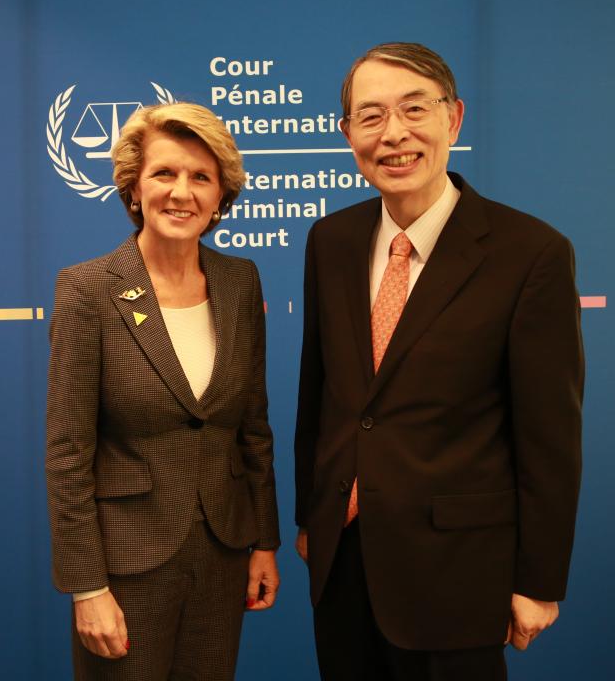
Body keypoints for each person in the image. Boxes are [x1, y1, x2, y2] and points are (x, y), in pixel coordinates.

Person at [294, 43, 584, 680]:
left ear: (453, 119)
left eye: (413, 109)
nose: (393, 133)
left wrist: (538, 580)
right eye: (370, 116)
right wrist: (310, 515)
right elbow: (320, 395)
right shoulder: (331, 241)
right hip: (342, 560)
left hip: (459, 572)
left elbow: (549, 437)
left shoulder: (529, 253)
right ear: (348, 135)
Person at [46, 102, 281, 680]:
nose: (182, 192)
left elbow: (252, 427)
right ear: (134, 187)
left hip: (222, 556)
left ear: (221, 194)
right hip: (125, 567)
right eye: (165, 173)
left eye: (201, 177)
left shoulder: (239, 282)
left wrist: (264, 542)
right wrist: (86, 587)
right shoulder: (90, 288)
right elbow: (67, 453)